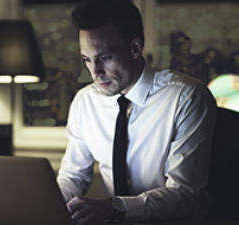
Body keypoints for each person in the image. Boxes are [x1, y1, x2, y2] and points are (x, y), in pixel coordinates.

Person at [56, 0, 217, 224]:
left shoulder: (185, 97)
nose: (95, 72)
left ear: (135, 48)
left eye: (104, 58)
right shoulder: (85, 102)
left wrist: (114, 208)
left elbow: (186, 194)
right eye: (87, 59)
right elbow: (73, 176)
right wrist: (49, 206)